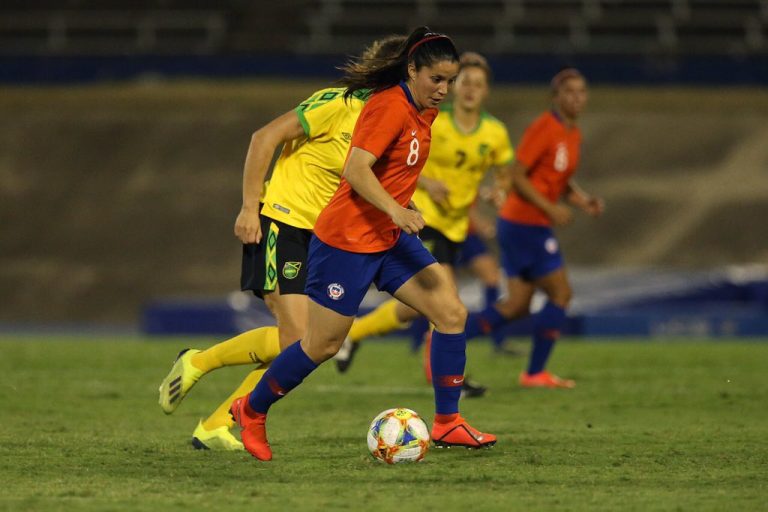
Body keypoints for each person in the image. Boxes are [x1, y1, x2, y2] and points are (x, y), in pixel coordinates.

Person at [229, 27, 497, 461]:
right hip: (347, 241)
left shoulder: (422, 111)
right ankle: (251, 410)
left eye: (450, 81)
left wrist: (399, 207)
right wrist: (397, 210)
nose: (444, 90)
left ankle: (448, 423)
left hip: (386, 239)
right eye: (436, 80)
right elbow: (355, 169)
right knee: (322, 345)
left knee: (450, 311)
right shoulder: (390, 106)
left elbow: (393, 169)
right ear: (412, 70)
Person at [157, 36, 406, 450]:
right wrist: (248, 208)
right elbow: (263, 138)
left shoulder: (388, 123)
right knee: (299, 342)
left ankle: (214, 425)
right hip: (282, 222)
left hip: (326, 239)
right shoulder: (337, 104)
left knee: (302, 346)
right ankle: (198, 362)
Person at [332, 52, 515, 382]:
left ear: (487, 90)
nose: (471, 89)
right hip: (422, 218)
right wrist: (428, 184)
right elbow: (405, 163)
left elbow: (503, 172)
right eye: (465, 83)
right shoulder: (434, 119)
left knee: (419, 305)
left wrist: (497, 191)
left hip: (460, 223)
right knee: (445, 300)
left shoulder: (495, 133)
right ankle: (444, 378)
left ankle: (356, 332)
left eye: (479, 84)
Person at [462, 67, 604, 388]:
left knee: (516, 306)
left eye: (581, 92)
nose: (577, 98)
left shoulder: (572, 133)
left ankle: (447, 336)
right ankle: (535, 373)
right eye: (569, 92)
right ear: (555, 97)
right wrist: (550, 208)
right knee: (561, 292)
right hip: (524, 223)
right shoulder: (544, 128)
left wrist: (582, 201)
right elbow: (518, 175)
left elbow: (559, 179)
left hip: (526, 224)